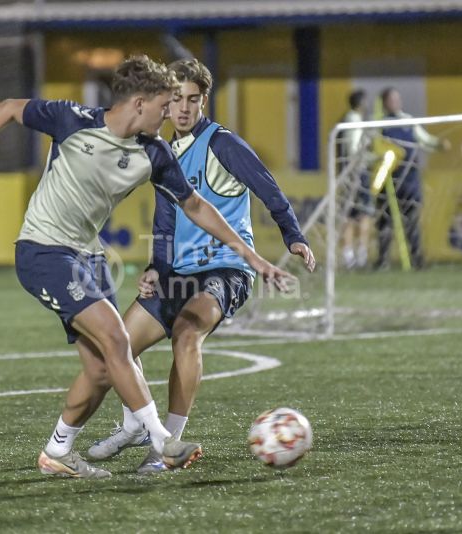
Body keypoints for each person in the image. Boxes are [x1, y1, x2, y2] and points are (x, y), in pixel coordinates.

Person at [0, 55, 295, 479]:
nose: (170, 116)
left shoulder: (155, 152)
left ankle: (58, 450)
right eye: (165, 106)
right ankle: (163, 441)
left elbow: (195, 206)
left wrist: (252, 257)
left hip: (90, 257)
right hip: (45, 249)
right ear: (140, 103)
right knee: (115, 338)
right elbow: (9, 108)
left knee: (103, 369)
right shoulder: (73, 120)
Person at [84, 58, 315, 474]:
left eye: (193, 99)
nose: (184, 109)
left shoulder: (222, 143)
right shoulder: (163, 151)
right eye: (176, 100)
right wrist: (156, 267)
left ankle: (165, 446)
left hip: (225, 270)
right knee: (114, 346)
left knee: (188, 333)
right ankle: (136, 425)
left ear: (204, 100)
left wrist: (292, 235)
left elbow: (268, 187)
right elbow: (166, 219)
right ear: (165, 103)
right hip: (176, 273)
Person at [375, 87, 450, 269]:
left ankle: (418, 260)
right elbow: (374, 148)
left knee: (412, 222)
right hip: (388, 181)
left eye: (397, 98)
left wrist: (439, 145)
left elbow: (424, 139)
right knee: (385, 222)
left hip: (409, 181)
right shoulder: (379, 124)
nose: (396, 102)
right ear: (385, 102)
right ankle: (382, 261)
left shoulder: (408, 121)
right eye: (392, 99)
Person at [337, 89, 372, 269]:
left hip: (346, 173)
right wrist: (372, 158)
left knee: (348, 215)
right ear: (361, 103)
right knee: (363, 214)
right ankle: (360, 254)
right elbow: (353, 149)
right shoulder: (354, 120)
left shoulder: (344, 119)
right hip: (357, 173)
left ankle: (349, 254)